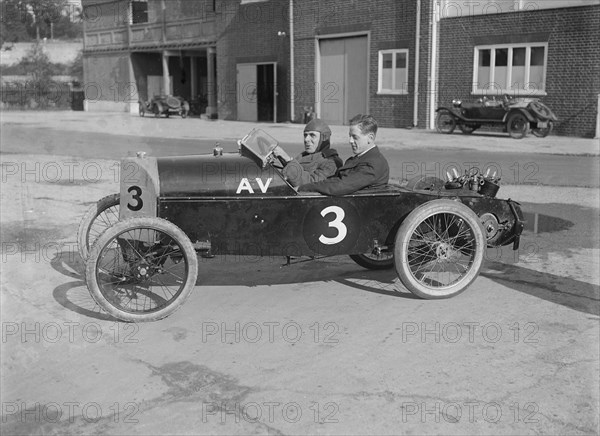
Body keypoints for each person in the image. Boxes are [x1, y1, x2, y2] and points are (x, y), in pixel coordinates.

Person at [299, 114, 389, 195]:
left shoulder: (373, 164)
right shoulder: (361, 159)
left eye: (355, 137)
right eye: (350, 136)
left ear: (370, 138)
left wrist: (303, 188)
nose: (350, 141)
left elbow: (340, 186)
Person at [271, 118, 342, 187]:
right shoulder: (304, 156)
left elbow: (311, 184)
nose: (306, 139)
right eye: (305, 135)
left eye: (312, 135)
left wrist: (288, 160)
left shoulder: (331, 162)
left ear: (324, 138)